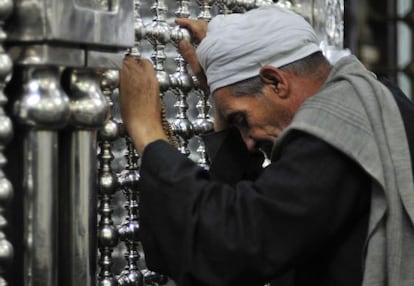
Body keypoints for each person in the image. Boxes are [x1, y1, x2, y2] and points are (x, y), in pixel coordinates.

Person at [119, 5, 414, 286]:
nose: (248, 142)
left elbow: (233, 245)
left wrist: (149, 134)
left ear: (275, 82)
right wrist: (225, 81)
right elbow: (267, 209)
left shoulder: (336, 129)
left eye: (242, 119)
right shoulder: (375, 98)